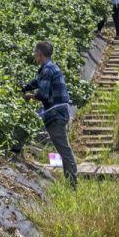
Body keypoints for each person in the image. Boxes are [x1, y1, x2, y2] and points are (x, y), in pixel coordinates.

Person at [21, 41, 78, 189]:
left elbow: (42, 94)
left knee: (64, 150)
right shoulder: (49, 68)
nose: (34, 56)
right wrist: (22, 86)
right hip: (58, 113)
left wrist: (29, 96)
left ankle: (72, 186)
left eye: (35, 53)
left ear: (39, 53)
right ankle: (71, 184)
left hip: (56, 114)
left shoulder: (47, 69)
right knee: (63, 149)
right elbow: (36, 82)